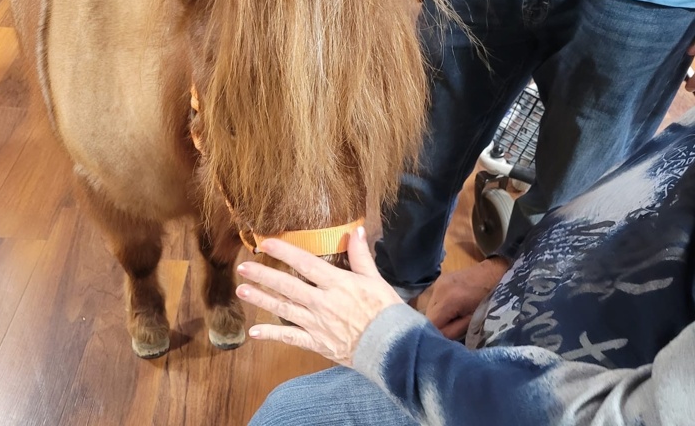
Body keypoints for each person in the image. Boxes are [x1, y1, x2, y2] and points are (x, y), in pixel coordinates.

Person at [237, 110, 695, 425]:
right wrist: (506, 268)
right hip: (484, 349)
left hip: (503, 398)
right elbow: (644, 209)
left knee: (292, 414)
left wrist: (391, 346)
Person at [374, 0, 695, 341]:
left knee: (575, 203)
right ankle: (396, 285)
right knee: (420, 156)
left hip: (647, 6)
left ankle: (500, 324)